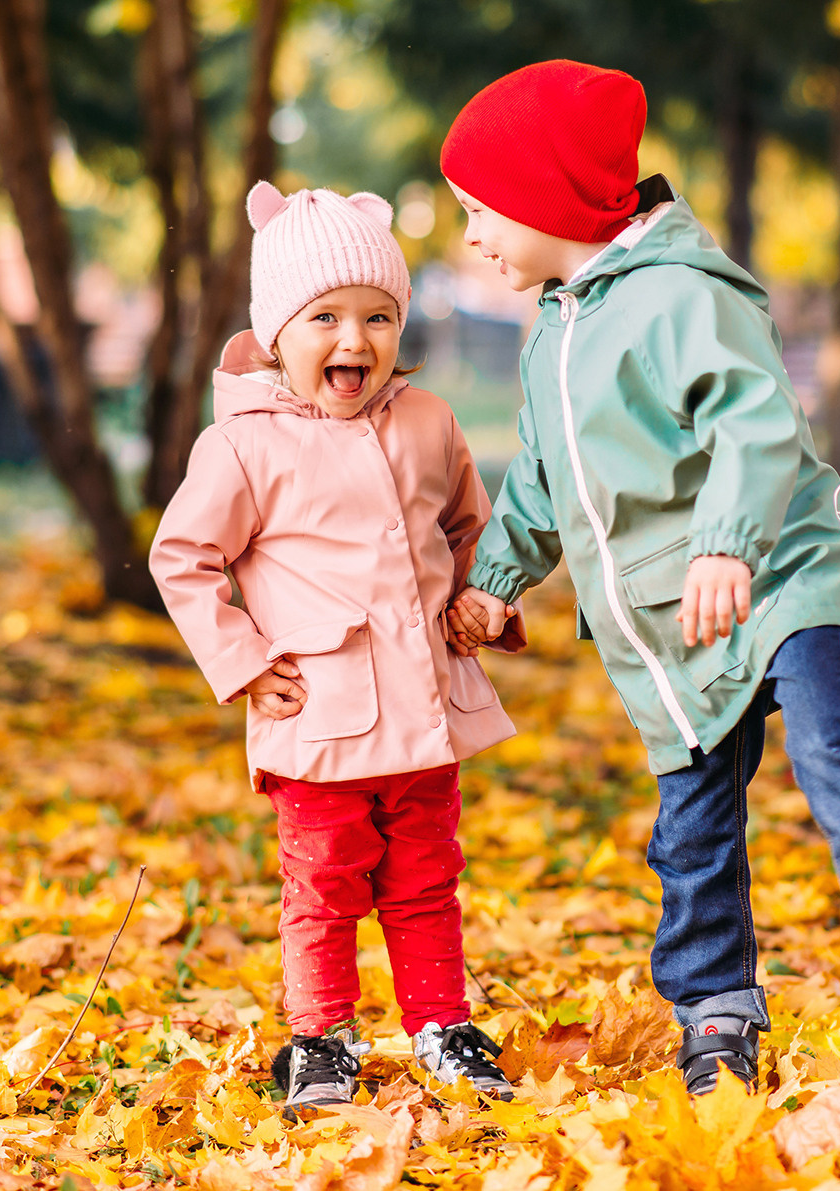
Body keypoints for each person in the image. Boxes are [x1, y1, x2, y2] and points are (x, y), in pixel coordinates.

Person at [441, 60, 840, 1096]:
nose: (470, 236)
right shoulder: (554, 329)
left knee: (827, 734)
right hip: (667, 617)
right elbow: (547, 478)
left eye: (478, 209)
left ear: (546, 198)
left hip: (773, 569)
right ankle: (715, 1019)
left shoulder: (683, 296)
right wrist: (499, 576)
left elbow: (756, 422)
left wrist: (728, 542)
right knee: (690, 833)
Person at [151, 182, 518, 1114]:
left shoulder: (429, 422)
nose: (354, 341)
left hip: (424, 713)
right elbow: (184, 557)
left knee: (429, 879)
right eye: (326, 318)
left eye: (378, 317)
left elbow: (466, 527)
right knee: (323, 884)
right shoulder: (244, 446)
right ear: (278, 332)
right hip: (321, 717)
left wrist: (484, 603)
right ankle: (320, 1036)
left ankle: (440, 1021)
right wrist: (240, 660)